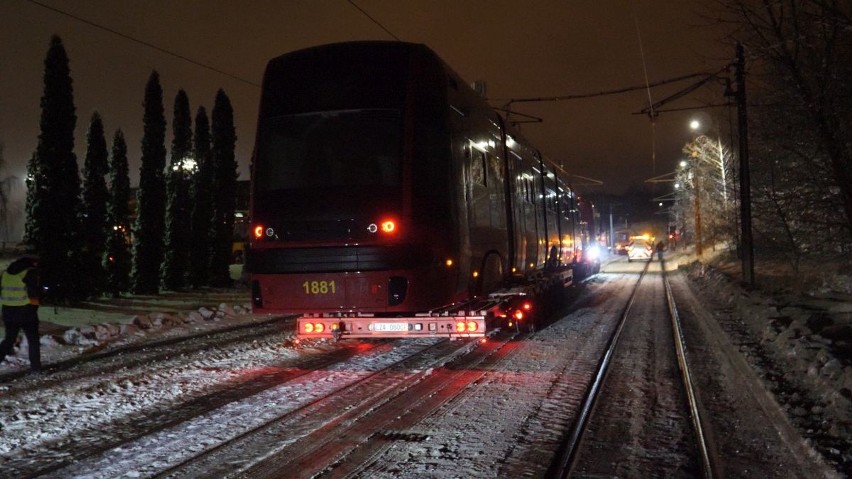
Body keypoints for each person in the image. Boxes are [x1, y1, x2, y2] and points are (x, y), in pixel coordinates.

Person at [0, 255, 42, 371]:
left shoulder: (6, 273)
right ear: (32, 263)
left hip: (8, 311)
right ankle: (36, 368)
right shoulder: (29, 272)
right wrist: (34, 308)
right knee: (33, 340)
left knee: (9, 340)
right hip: (25, 311)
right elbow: (33, 293)